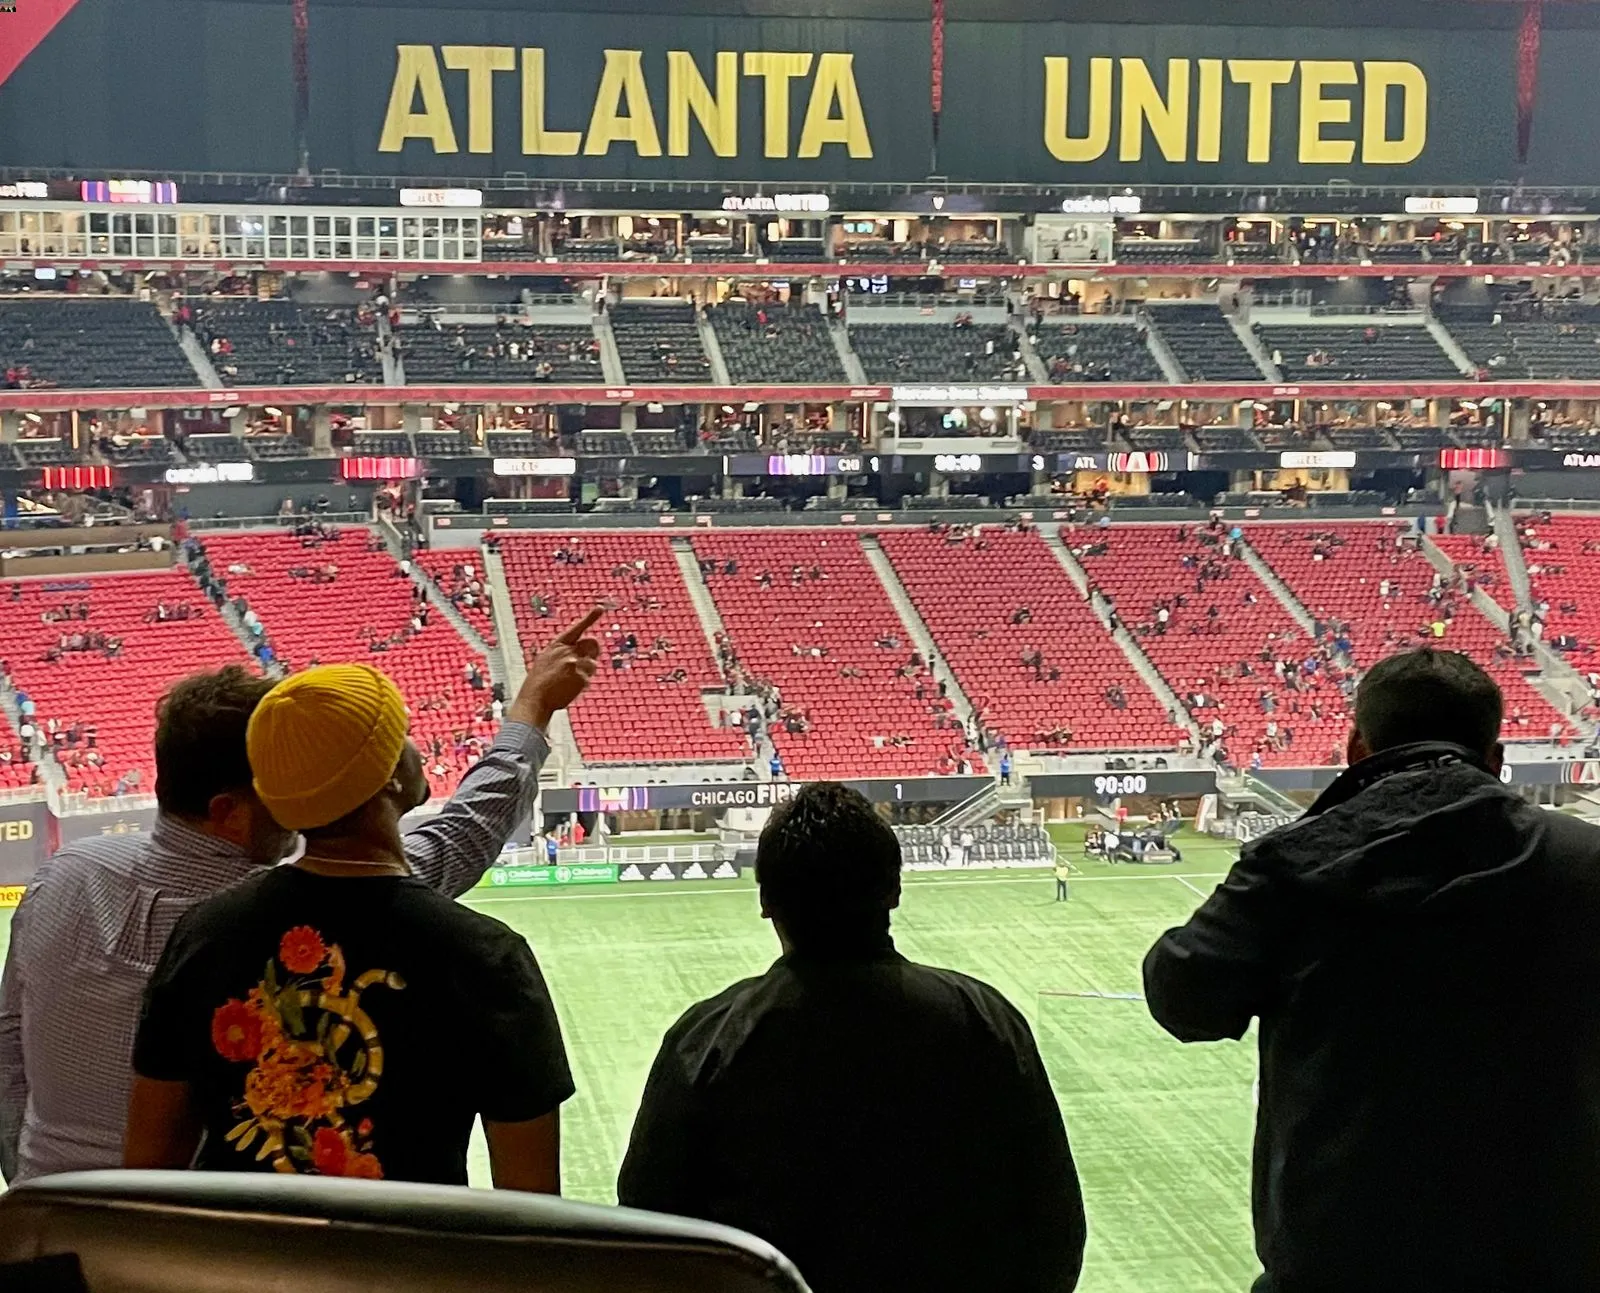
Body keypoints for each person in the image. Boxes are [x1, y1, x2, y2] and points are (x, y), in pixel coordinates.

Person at [0, 609, 603, 1185]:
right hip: (195, 1242)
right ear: (229, 813)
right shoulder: (282, 909)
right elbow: (464, 831)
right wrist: (528, 712)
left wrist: (32, 1181)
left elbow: (8, 1056)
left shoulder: (59, 877)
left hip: (55, 1220)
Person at [1144, 648, 1600, 1292]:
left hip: (1345, 1248)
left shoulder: (1296, 866)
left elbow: (1182, 997)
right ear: (1497, 760)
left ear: (1356, 748)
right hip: (1556, 1248)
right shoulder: (1584, 860)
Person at [126, 661, 583, 1188]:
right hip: (406, 1265)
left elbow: (147, 1170)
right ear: (387, 779)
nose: (417, 750)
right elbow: (532, 1200)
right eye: (402, 738)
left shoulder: (203, 934)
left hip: (241, 1263)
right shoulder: (484, 954)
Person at [619, 783, 1085, 1293]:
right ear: (895, 891)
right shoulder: (985, 1019)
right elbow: (1053, 1221)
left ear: (765, 901)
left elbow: (650, 1232)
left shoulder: (707, 1040)